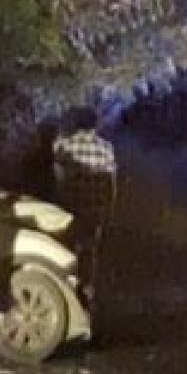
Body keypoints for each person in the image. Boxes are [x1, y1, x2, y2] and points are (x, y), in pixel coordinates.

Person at [51, 107, 117, 304]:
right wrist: (109, 207)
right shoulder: (106, 148)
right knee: (89, 250)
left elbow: (57, 175)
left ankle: (66, 289)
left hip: (70, 206)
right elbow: (111, 182)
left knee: (67, 247)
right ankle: (86, 291)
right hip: (95, 208)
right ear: (95, 126)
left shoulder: (64, 146)